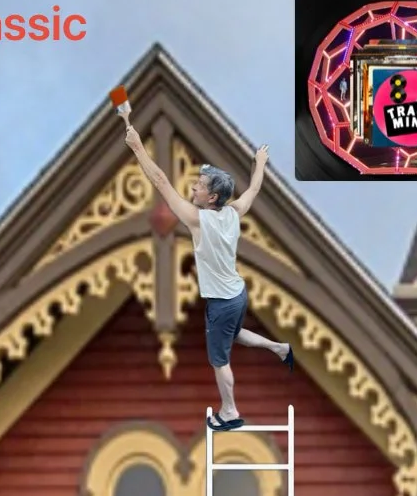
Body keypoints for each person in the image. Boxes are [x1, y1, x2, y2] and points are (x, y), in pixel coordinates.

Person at [123, 124, 294, 431]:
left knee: (220, 361)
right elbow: (253, 191)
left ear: (212, 196)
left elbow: (161, 182)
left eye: (199, 186)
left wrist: (137, 147)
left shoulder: (197, 221)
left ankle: (229, 411)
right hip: (237, 293)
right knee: (235, 334)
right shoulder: (233, 213)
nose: (193, 188)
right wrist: (260, 164)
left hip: (221, 302)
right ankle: (279, 349)